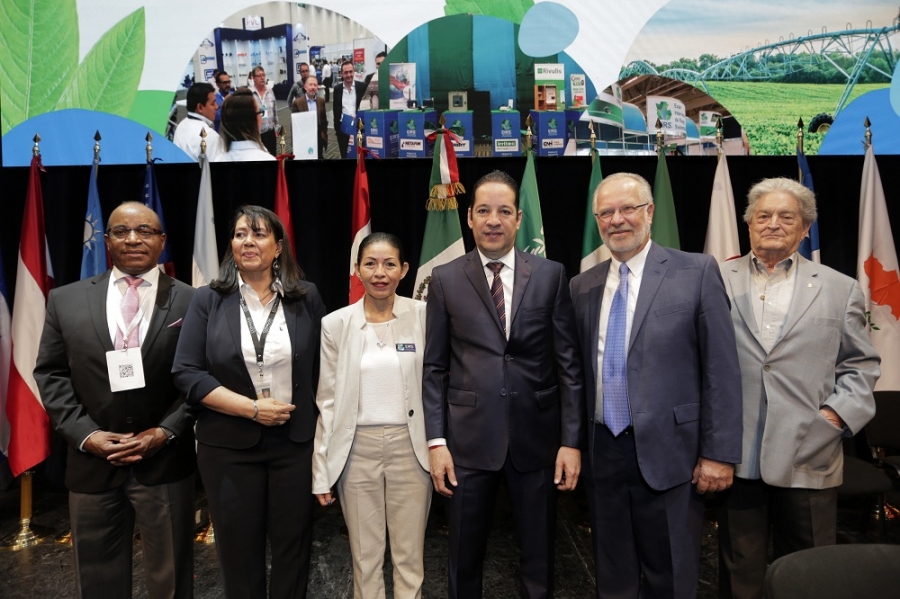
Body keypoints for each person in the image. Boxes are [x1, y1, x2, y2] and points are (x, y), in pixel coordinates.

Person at [569, 172, 742, 598]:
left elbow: (721, 369)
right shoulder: (582, 285)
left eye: (627, 208)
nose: (617, 220)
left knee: (671, 578)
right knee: (613, 577)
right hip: (603, 454)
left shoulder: (696, 271)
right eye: (606, 213)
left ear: (649, 212)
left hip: (672, 454)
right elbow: (575, 374)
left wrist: (718, 453)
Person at [423, 170, 584, 599]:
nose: (493, 220)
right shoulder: (445, 279)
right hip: (467, 444)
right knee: (463, 559)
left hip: (538, 441)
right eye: (483, 211)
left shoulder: (551, 275)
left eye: (504, 211)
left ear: (518, 218)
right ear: (470, 218)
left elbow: (568, 366)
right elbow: (434, 368)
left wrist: (571, 442)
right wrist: (436, 442)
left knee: (540, 559)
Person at [717, 177, 880, 599]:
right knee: (739, 574)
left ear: (805, 228)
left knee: (810, 573)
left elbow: (861, 366)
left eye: (786, 217)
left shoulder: (840, 288)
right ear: (748, 224)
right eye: (763, 216)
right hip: (736, 453)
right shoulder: (714, 279)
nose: (773, 224)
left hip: (810, 451)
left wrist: (833, 419)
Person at [35, 201, 196, 599]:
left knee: (172, 581)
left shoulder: (194, 302)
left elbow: (202, 378)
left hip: (164, 461)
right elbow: (51, 374)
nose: (133, 239)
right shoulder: (65, 300)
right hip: (92, 463)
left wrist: (165, 431)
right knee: (97, 582)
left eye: (144, 231)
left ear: (161, 241)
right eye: (121, 231)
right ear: (106, 241)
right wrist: (86, 436)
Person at [173, 205, 326, 598]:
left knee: (294, 547)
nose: (248, 242)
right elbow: (187, 372)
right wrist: (252, 409)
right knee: (238, 553)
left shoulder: (305, 296)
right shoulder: (208, 298)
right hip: (228, 446)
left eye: (259, 234)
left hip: (294, 444)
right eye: (240, 234)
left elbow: (322, 371)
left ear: (278, 247)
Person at [313, 232, 431, 599]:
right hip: (356, 451)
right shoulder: (335, 324)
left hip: (411, 449)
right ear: (357, 269)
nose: (380, 273)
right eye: (371, 264)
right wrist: (321, 470)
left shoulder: (424, 316)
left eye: (389, 264)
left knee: (409, 557)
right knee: (365, 558)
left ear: (404, 269)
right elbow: (327, 401)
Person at [216, 88, 275, 162]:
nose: (261, 117)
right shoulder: (267, 159)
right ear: (252, 120)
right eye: (260, 112)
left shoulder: (218, 159)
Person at [173, 81, 221, 161]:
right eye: (213, 104)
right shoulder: (209, 135)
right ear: (200, 107)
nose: (216, 107)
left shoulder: (180, 126)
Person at [333, 60, 366, 159]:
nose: (348, 75)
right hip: (343, 129)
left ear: (354, 71)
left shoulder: (362, 87)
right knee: (345, 155)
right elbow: (336, 110)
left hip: (359, 128)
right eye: (346, 72)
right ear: (341, 74)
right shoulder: (337, 89)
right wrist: (337, 129)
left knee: (360, 156)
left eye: (350, 72)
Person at [291, 75, 328, 158]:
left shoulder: (321, 101)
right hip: (304, 138)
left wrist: (324, 134)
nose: (313, 87)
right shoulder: (297, 103)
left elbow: (324, 121)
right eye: (310, 85)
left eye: (315, 85)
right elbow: (294, 125)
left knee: (318, 157)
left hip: (318, 137)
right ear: (305, 87)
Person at [250, 65, 279, 155]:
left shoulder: (270, 91)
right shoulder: (249, 94)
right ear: (253, 78)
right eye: (259, 76)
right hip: (256, 135)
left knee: (272, 157)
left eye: (263, 75)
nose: (262, 78)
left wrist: (276, 127)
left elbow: (275, 111)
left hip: (270, 133)